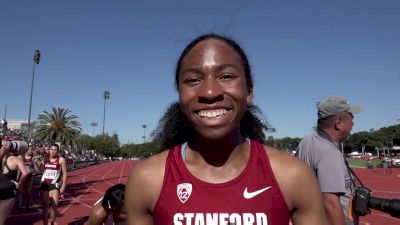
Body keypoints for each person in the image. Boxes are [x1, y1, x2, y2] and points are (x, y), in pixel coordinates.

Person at [126, 33, 328, 225]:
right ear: (179, 95)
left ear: (248, 91)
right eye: (193, 80)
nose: (210, 92)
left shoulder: (294, 175)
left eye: (226, 76)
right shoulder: (147, 179)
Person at [296, 96, 363, 225]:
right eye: (351, 118)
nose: (353, 124)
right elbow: (330, 204)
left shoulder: (306, 141)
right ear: (339, 123)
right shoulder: (329, 152)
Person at [38, 143, 67, 225]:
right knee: (45, 207)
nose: (53, 151)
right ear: (49, 150)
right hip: (44, 184)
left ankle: (52, 222)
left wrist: (64, 185)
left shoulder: (61, 160)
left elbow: (64, 173)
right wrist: (40, 164)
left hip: (54, 184)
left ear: (58, 151)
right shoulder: (45, 159)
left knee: (54, 206)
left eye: (55, 150)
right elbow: (41, 171)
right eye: (51, 149)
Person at [0, 141, 28, 225]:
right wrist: (19, 183)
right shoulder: (16, 160)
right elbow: (25, 173)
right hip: (8, 189)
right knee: (1, 219)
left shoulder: (1, 157)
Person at [18, 145, 36, 210]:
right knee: (20, 191)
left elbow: (35, 169)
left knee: (28, 191)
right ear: (26, 149)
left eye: (31, 149)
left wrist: (32, 169)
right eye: (29, 149)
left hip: (29, 177)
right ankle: (20, 206)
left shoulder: (32, 158)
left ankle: (27, 205)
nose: (30, 151)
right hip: (21, 176)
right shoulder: (21, 157)